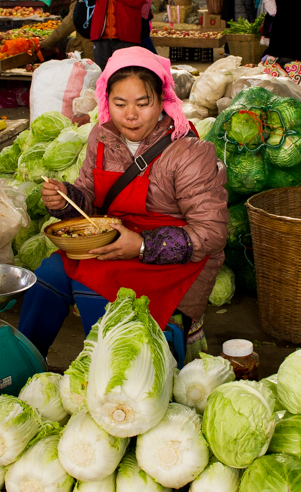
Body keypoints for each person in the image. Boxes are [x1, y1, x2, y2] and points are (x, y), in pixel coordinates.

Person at [18, 47, 228, 364]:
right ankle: (25, 362)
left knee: (94, 289)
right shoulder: (101, 138)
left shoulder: (189, 152)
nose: (130, 114)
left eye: (142, 104)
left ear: (162, 102)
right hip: (113, 240)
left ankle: (108, 378)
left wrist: (143, 246)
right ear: (106, 102)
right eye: (120, 104)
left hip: (173, 260)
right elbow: (88, 198)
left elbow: (211, 233)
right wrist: (65, 198)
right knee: (47, 275)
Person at [90, 0, 145, 68]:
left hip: (126, 35)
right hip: (101, 35)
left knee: (125, 72)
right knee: (101, 72)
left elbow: (139, 2)